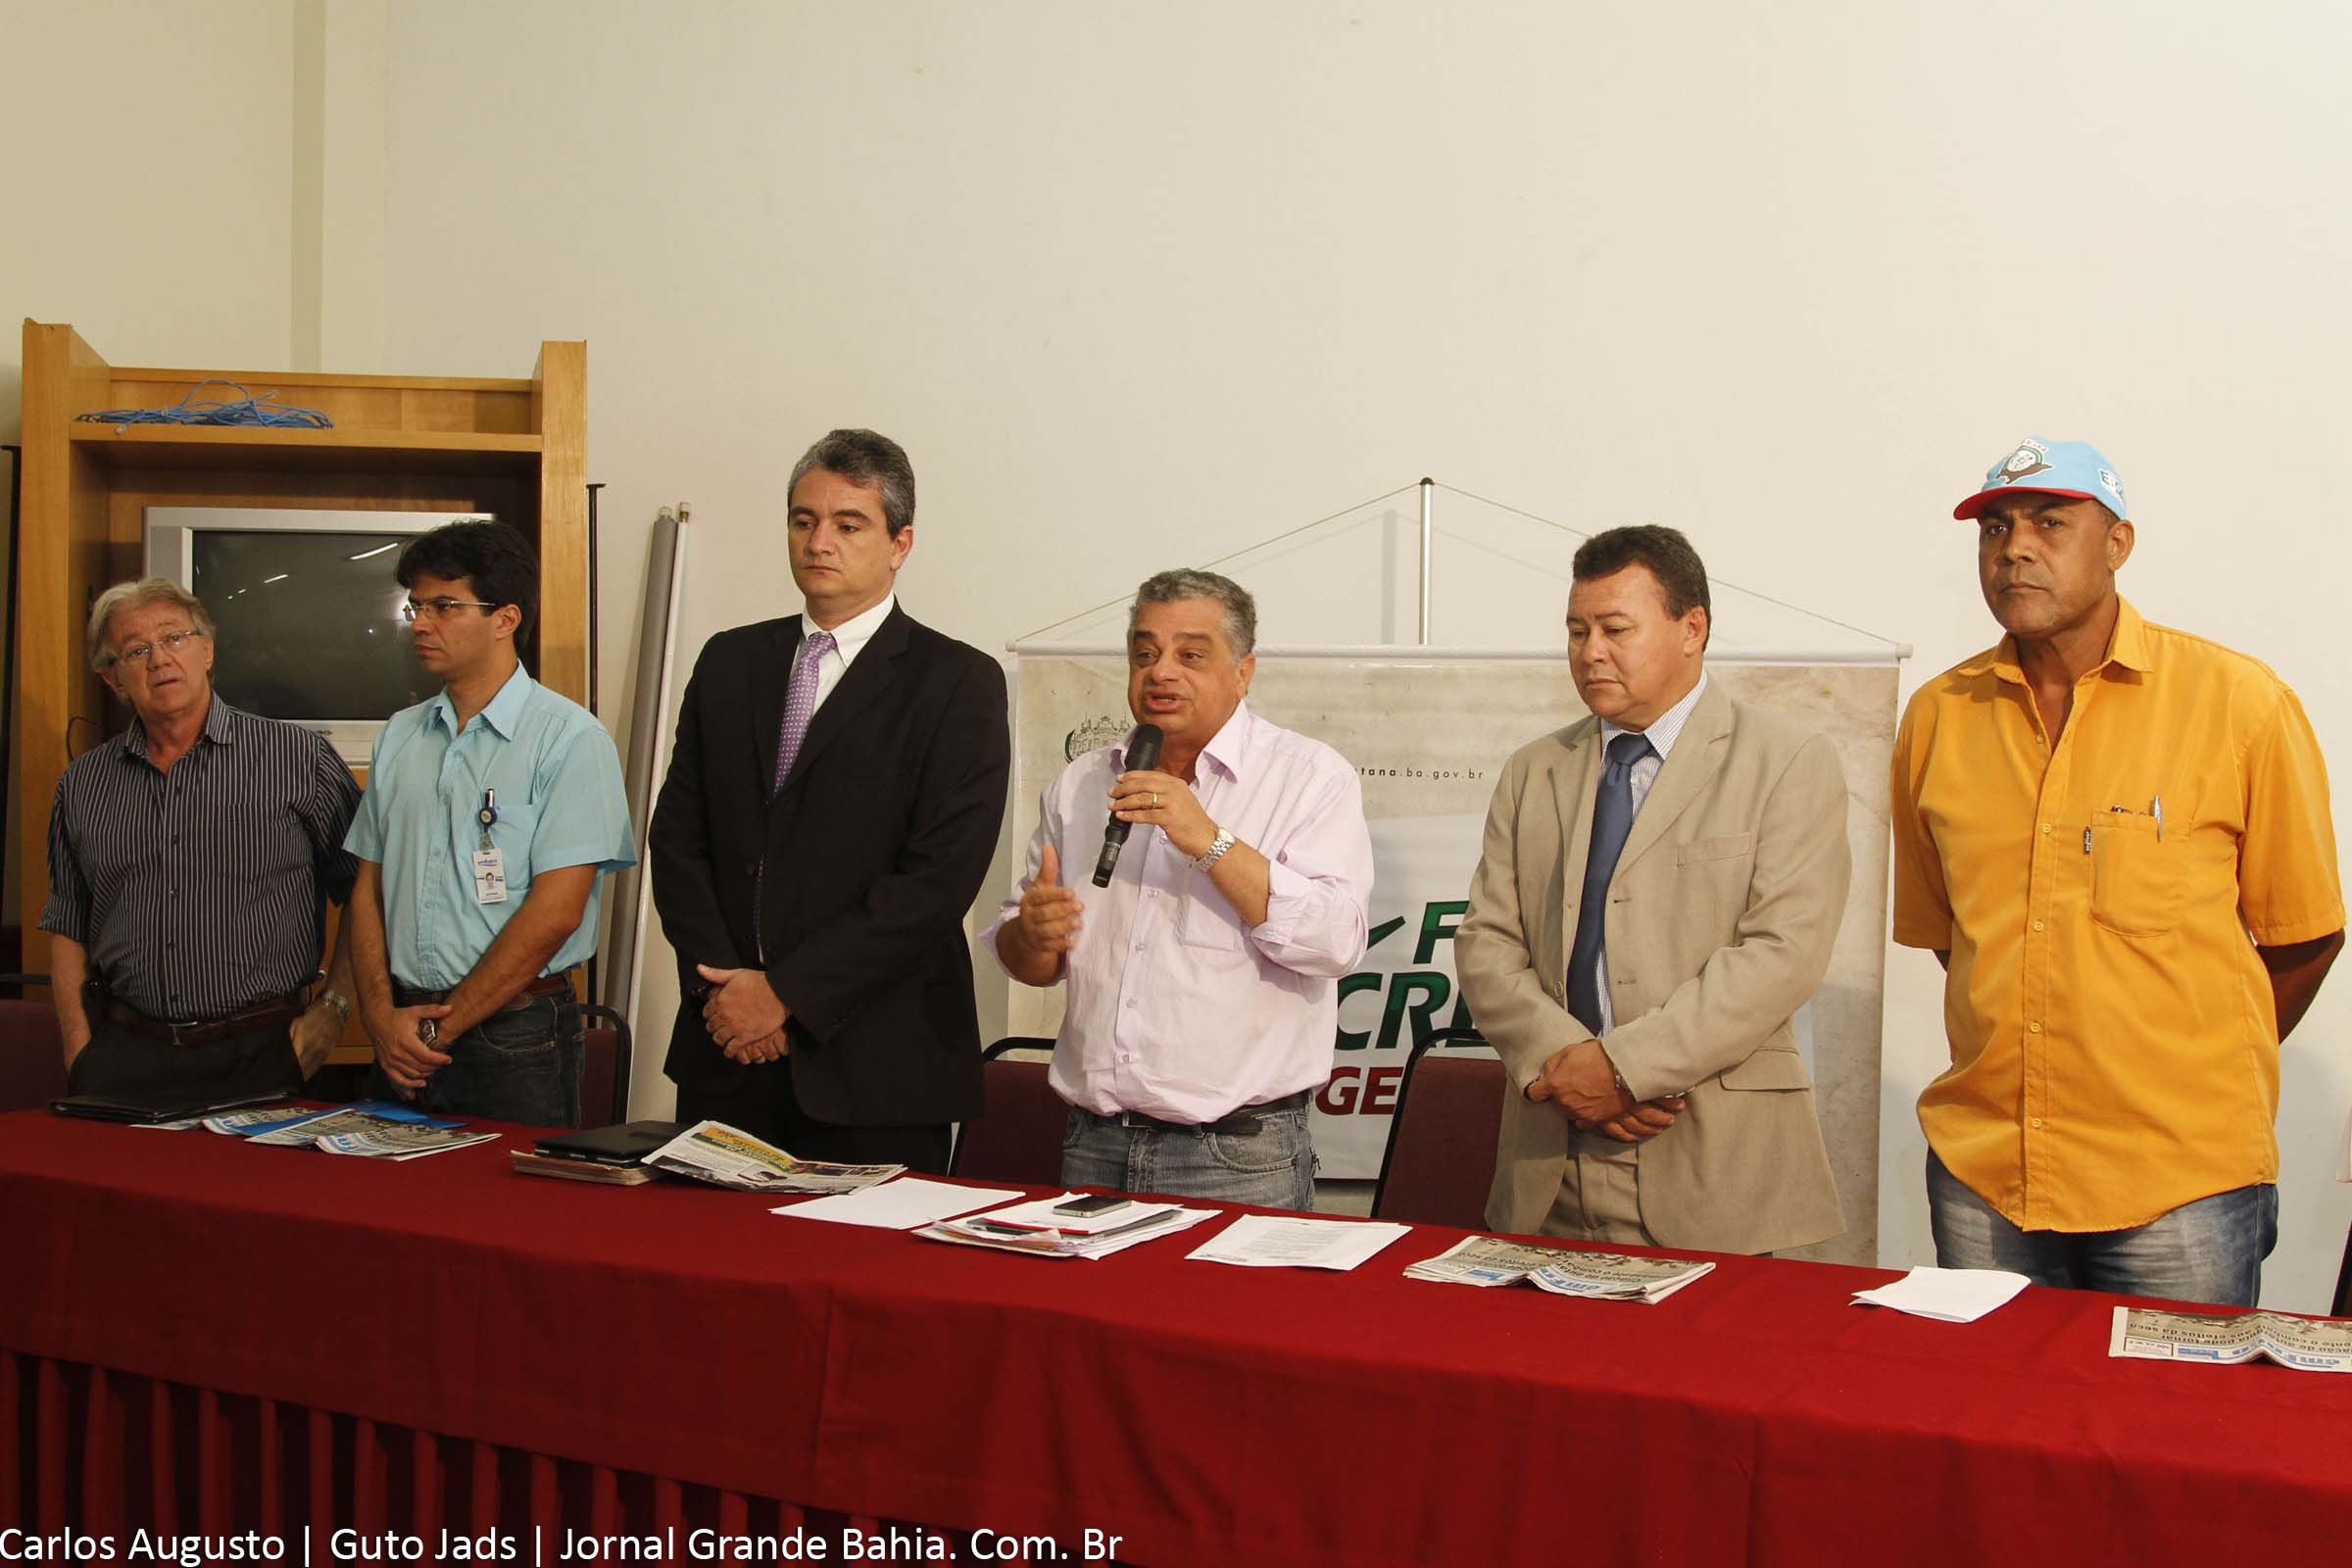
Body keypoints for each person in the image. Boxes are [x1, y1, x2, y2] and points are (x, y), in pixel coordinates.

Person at [1891, 438, 2342, 1305]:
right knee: (2000, 1427)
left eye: (2050, 523)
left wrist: (2187, 1065)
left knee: (2177, 1435)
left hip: (2180, 1182)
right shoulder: (1939, 717)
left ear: (2118, 543)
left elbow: (2307, 935)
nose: (2015, 547)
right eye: (1995, 527)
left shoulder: (2238, 704)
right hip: (1988, 1173)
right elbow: (1956, 939)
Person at [1458, 526, 1848, 1254]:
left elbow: (1782, 953)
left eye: (1614, 629)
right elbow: (1487, 942)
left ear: (1692, 628)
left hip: (1711, 1161)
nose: (1589, 652)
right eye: (1576, 631)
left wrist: (1623, 1070)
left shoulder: (1787, 761)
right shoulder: (1533, 770)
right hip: (1551, 1160)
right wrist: (1566, 1065)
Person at [650, 429, 1008, 1174]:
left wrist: (786, 996)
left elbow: (936, 882)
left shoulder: (957, 682)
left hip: (876, 1067)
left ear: (899, 543)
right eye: (802, 520)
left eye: (849, 525)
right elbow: (679, 839)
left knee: (865, 1286)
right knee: (713, 1280)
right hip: (726, 1054)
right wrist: (729, 992)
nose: (820, 542)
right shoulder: (729, 660)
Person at [989, 568, 1374, 1208]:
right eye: (1145, 654)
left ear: (1243, 672)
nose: (1161, 672)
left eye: (1190, 655)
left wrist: (1207, 839)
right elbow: (1030, 964)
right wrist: (1028, 934)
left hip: (1235, 1157)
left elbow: (1336, 943)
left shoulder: (1308, 777)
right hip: (1092, 1145)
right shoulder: (1082, 784)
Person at [346, 519, 635, 1126]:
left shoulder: (570, 739)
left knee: (511, 1217)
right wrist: (379, 1016)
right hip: (400, 1033)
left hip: (515, 1035)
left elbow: (556, 912)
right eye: (416, 605)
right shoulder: (401, 734)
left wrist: (442, 1023)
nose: (420, 624)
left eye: (444, 606)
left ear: (506, 618)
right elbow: (367, 889)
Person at [42, 579, 362, 1102]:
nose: (159, 660)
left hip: (266, 1049)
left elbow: (365, 891)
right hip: (123, 1053)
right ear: (112, 677)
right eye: (136, 650)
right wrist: (80, 1051)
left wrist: (335, 1011)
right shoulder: (83, 784)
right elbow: (67, 921)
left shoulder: (297, 758)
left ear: (208, 650)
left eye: (175, 638)